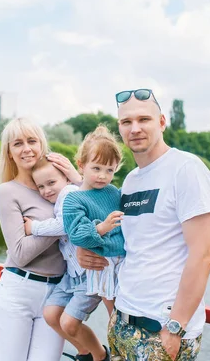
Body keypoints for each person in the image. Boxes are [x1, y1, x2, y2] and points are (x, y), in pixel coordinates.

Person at [77, 89, 210, 360]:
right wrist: (89, 249)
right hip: (123, 321)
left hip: (161, 330)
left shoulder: (186, 169)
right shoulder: (130, 180)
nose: (135, 128)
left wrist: (175, 327)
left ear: (162, 122)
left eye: (144, 119)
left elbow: (203, 255)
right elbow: (128, 242)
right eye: (126, 122)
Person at [0, 117, 82, 361]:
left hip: (57, 292)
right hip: (19, 290)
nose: (26, 148)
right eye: (17, 143)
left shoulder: (61, 185)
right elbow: (20, 253)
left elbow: (98, 214)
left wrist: (76, 180)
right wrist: (64, 226)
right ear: (9, 153)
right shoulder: (8, 191)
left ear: (42, 145)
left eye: (32, 141)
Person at [22, 157, 103, 360]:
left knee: (68, 322)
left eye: (51, 183)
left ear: (66, 179)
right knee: (51, 315)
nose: (46, 190)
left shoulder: (69, 195)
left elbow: (65, 225)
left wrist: (35, 228)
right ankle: (85, 352)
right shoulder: (59, 199)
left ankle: (100, 355)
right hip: (71, 274)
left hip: (88, 274)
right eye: (41, 186)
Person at [61, 125, 127, 361]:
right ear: (81, 165)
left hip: (125, 260)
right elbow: (77, 234)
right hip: (104, 262)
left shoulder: (114, 192)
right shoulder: (74, 199)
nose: (102, 175)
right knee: (116, 319)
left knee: (127, 314)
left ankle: (122, 351)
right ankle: (116, 353)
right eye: (96, 168)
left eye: (109, 170)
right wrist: (101, 227)